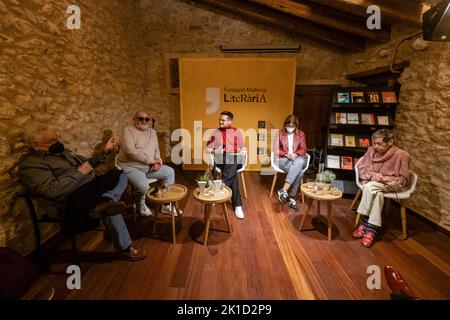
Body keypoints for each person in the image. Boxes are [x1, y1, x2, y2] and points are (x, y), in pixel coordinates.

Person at [19, 127, 146, 261]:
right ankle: (125, 248)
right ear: (35, 145)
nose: (56, 143)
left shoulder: (63, 153)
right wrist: (80, 172)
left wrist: (105, 151)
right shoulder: (31, 165)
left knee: (118, 175)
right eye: (51, 141)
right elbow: (52, 190)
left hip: (87, 189)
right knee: (106, 203)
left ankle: (105, 201)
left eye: (56, 138)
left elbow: (89, 163)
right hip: (68, 201)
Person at [353, 129, 411, 248]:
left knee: (369, 187)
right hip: (373, 182)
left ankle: (363, 221)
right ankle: (371, 230)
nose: (375, 146)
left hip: (388, 184)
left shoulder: (401, 155)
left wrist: (383, 178)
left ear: (390, 142)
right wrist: (373, 175)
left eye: (379, 143)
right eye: (374, 143)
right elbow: (362, 168)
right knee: (377, 194)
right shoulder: (370, 150)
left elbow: (403, 179)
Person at [117, 110, 176, 216]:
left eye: (146, 119)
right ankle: (141, 206)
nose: (144, 121)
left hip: (149, 166)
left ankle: (165, 204)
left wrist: (158, 161)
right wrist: (152, 161)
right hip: (132, 167)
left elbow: (156, 149)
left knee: (170, 172)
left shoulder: (152, 132)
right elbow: (130, 151)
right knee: (143, 186)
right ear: (134, 119)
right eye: (140, 118)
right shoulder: (128, 130)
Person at [206, 111, 246, 219]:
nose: (220, 121)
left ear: (229, 122)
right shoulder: (216, 133)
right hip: (221, 159)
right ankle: (237, 205)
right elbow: (207, 149)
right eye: (219, 119)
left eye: (223, 120)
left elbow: (243, 147)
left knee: (233, 159)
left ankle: (220, 185)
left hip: (236, 159)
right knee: (233, 175)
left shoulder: (237, 132)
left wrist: (243, 151)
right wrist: (215, 151)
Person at [273, 114, 307, 211]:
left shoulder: (301, 134)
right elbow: (275, 149)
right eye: (288, 126)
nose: (290, 128)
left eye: (292, 127)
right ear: (285, 125)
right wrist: (285, 154)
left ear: (296, 126)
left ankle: (284, 190)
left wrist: (296, 154)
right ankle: (292, 198)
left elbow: (304, 149)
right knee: (300, 172)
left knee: (299, 161)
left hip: (297, 159)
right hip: (284, 159)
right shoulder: (279, 133)